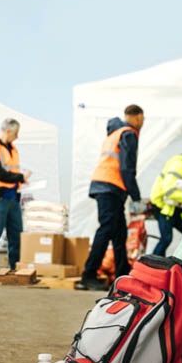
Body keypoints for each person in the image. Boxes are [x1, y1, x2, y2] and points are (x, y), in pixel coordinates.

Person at [76, 104, 145, 291]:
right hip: (110, 187)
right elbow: (126, 169)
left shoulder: (114, 132)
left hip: (105, 186)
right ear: (138, 117)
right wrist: (137, 198)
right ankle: (88, 276)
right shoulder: (129, 134)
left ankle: (122, 277)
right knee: (106, 229)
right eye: (142, 120)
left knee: (119, 232)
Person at [0, 118, 30, 271]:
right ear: (8, 131)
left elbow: (11, 171)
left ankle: (15, 267)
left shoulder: (12, 149)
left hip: (13, 197)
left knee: (16, 235)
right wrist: (21, 177)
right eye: (16, 133)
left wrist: (19, 181)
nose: (17, 136)